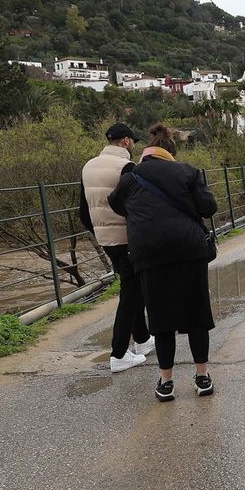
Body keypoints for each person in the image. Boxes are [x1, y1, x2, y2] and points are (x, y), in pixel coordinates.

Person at [109, 122, 218, 402]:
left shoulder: (131, 179)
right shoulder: (188, 172)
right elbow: (208, 208)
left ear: (146, 151)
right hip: (189, 249)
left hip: (149, 254)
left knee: (161, 318)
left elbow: (116, 204)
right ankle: (202, 376)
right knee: (196, 314)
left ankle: (166, 382)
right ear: (171, 152)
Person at [79, 122, 153, 373]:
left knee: (133, 287)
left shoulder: (88, 166)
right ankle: (119, 354)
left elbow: (83, 211)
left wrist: (100, 231)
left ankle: (142, 341)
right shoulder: (127, 167)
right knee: (131, 294)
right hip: (127, 237)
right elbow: (136, 207)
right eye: (133, 142)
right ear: (126, 142)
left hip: (105, 239)